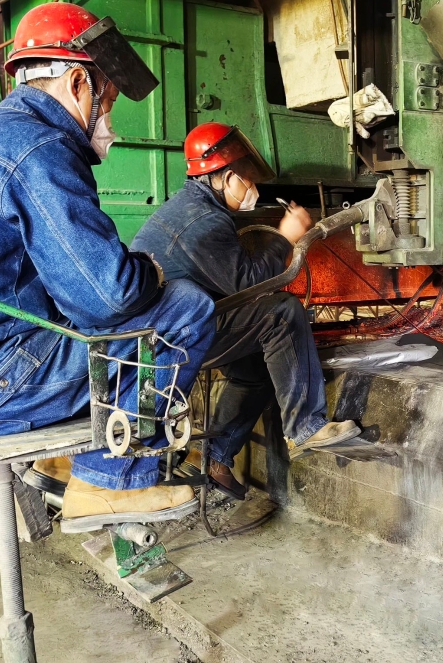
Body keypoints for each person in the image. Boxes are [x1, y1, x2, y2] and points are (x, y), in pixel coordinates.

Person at [0, 2, 216, 529]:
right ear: (77, 84)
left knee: (77, 318)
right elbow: (109, 296)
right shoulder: (41, 149)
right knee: (186, 308)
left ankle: (64, 465)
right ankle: (108, 482)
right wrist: (151, 272)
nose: (109, 122)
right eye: (108, 103)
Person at [130, 122, 360, 500]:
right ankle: (306, 427)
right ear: (227, 178)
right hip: (174, 337)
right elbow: (250, 283)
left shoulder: (189, 206)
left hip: (168, 328)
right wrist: (286, 237)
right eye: (247, 179)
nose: (252, 187)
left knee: (253, 371)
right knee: (281, 312)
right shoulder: (204, 220)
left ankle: (216, 459)